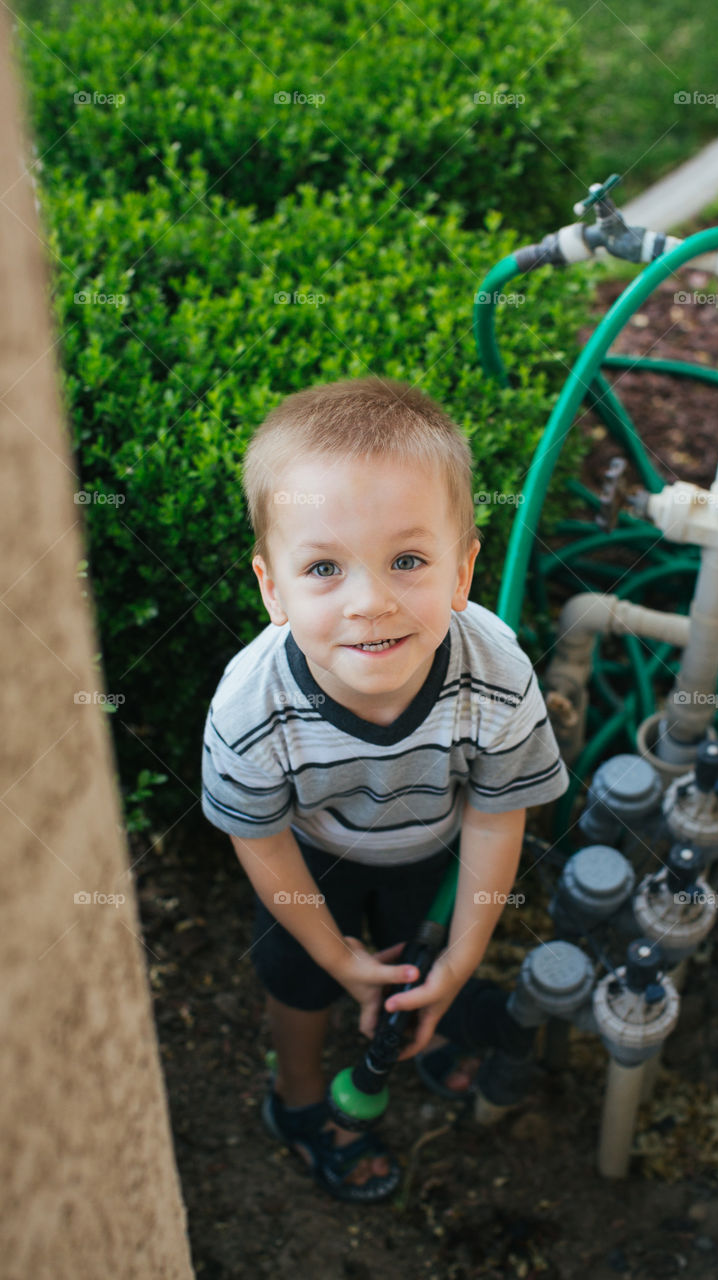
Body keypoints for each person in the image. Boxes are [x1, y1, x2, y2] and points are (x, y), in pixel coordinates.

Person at [201, 377, 568, 1201]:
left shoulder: (498, 674)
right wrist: (335, 952)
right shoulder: (250, 705)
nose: (370, 602)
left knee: (428, 959)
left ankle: (426, 1027)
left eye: (407, 560)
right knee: (298, 980)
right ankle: (296, 1098)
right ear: (272, 589)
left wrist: (466, 952)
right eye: (324, 567)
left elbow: (496, 814)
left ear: (463, 567)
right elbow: (258, 838)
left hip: (434, 855)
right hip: (309, 862)